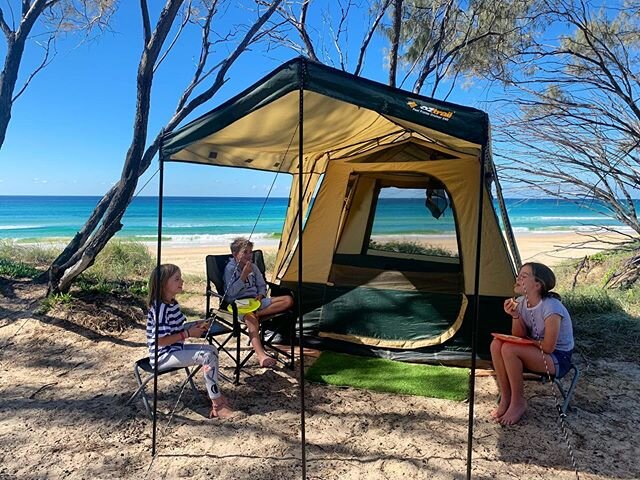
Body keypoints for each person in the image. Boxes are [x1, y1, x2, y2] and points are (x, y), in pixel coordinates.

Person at [490, 262, 574, 425]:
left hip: (558, 358)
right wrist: (515, 315)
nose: (518, 279)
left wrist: (526, 341)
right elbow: (518, 336)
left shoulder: (551, 307)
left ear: (537, 284)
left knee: (509, 348)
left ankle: (518, 402)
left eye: (524, 276)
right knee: (496, 344)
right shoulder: (521, 302)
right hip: (538, 352)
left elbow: (549, 347)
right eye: (518, 275)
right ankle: (506, 397)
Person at [146, 263, 234, 419]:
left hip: (174, 349)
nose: (182, 281)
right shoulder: (160, 308)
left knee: (212, 350)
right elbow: (160, 340)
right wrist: (188, 333)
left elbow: (176, 327)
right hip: (162, 356)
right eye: (177, 279)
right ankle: (217, 404)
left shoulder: (172, 303)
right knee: (207, 356)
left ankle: (214, 393)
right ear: (163, 284)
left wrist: (195, 325)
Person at [223, 237, 294, 368]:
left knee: (288, 300)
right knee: (251, 320)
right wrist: (243, 276)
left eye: (250, 252)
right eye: (245, 252)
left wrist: (261, 294)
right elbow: (230, 294)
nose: (249, 255)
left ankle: (258, 313)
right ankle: (262, 356)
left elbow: (262, 285)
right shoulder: (230, 269)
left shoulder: (253, 267)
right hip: (239, 305)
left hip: (256, 302)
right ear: (234, 254)